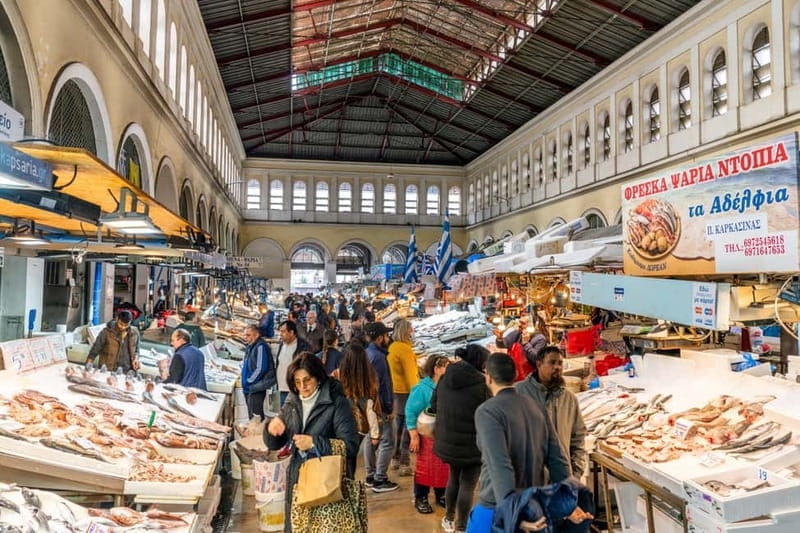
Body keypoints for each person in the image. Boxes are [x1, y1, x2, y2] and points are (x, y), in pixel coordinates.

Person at [468, 353, 590, 533]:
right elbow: (558, 459)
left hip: (499, 507)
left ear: (489, 377)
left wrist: (514, 515)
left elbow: (500, 465)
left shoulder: (488, 411)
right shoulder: (535, 407)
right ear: (515, 375)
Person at [265, 353, 360, 533]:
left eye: (307, 380)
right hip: (298, 482)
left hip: (327, 485)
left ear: (318, 377)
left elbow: (351, 446)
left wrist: (315, 443)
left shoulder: (337, 403)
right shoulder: (292, 400)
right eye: (297, 382)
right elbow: (275, 444)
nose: (302, 387)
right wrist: (272, 429)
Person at [431, 344, 491, 533]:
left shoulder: (445, 377)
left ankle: (449, 518)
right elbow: (490, 413)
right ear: (479, 362)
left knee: (454, 478)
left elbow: (433, 405)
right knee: (468, 484)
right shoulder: (481, 385)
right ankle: (461, 527)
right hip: (472, 444)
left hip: (448, 441)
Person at [516, 345, 587, 478]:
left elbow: (578, 436)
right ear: (539, 364)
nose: (557, 367)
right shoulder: (519, 393)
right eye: (552, 362)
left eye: (560, 363)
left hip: (562, 477)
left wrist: (577, 471)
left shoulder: (569, 398)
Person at [406, 354, 450, 514]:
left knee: (443, 467)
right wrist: (414, 435)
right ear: (436, 369)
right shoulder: (422, 389)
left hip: (443, 435)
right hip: (426, 435)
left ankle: (441, 494)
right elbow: (410, 411)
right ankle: (421, 497)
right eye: (446, 366)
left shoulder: (447, 385)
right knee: (425, 468)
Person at [363, 321, 398, 493]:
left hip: (369, 403)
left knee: (371, 436)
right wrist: (388, 407)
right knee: (387, 441)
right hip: (379, 405)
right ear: (379, 338)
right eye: (386, 335)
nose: (388, 337)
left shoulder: (368, 353)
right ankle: (379, 479)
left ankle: (370, 475)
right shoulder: (378, 358)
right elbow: (383, 385)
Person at [338, 342, 381, 477]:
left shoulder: (337, 377)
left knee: (339, 459)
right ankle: (350, 486)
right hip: (359, 428)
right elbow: (371, 409)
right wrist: (375, 434)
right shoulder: (369, 381)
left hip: (339, 424)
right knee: (351, 459)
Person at [387, 318, 420, 476]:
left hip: (396, 391)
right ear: (405, 331)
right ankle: (405, 463)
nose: (412, 331)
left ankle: (395, 458)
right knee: (408, 426)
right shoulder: (404, 350)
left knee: (398, 426)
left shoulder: (393, 347)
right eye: (410, 329)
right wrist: (416, 393)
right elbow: (410, 375)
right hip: (406, 393)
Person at [241, 324, 276, 420]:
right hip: (249, 388)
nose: (245, 338)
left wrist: (249, 381)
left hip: (255, 388)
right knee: (252, 418)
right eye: (245, 335)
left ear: (256, 335)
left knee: (256, 419)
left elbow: (260, 368)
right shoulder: (250, 346)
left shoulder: (260, 346)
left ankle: (258, 434)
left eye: (248, 335)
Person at [275, 320, 311, 405]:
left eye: (283, 331)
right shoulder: (282, 345)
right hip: (282, 388)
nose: (281, 334)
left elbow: (307, 367)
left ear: (291, 332)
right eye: (280, 331)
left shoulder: (303, 347)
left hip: (296, 390)